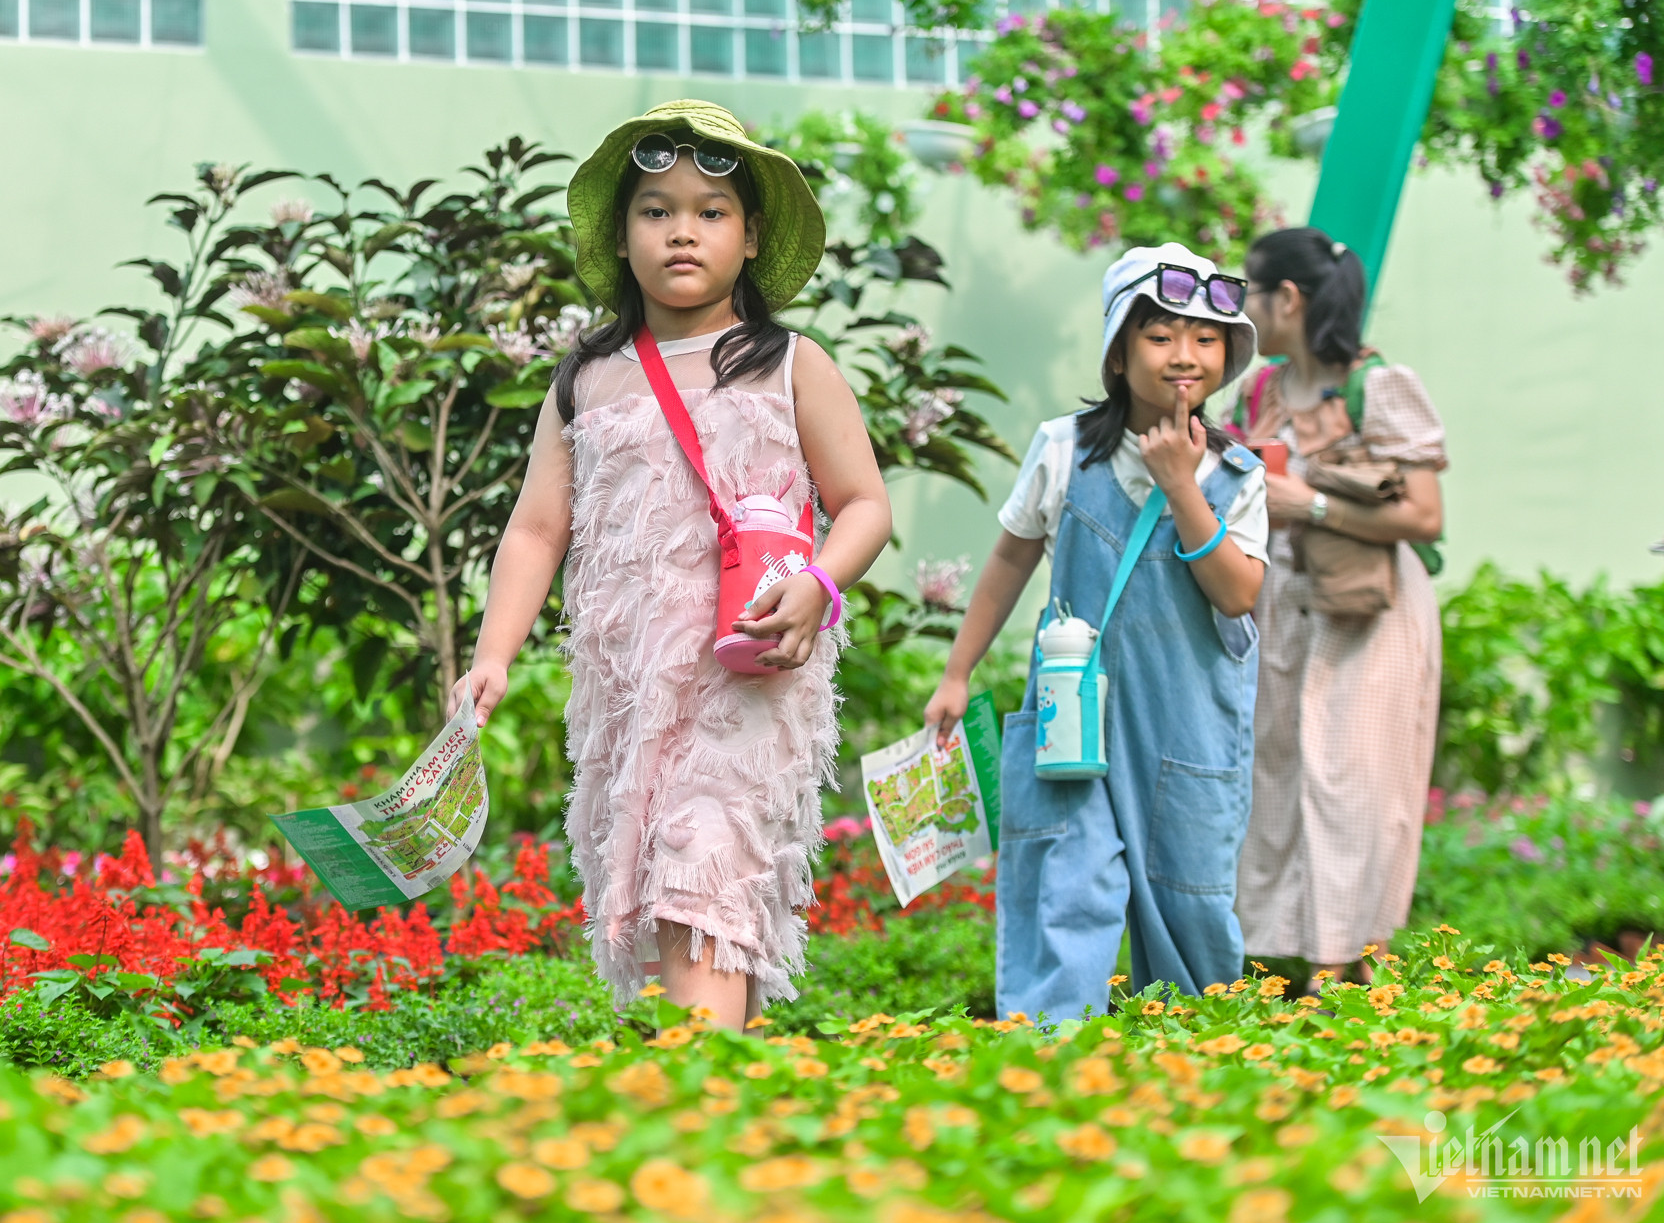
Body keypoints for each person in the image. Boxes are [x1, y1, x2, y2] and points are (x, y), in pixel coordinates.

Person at [451, 100, 892, 1030]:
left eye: (710, 211)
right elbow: (536, 530)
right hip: (628, 690)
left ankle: (694, 1123)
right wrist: (492, 652)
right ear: (621, 236)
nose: (681, 230)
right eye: (656, 210)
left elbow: (865, 506)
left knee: (703, 882)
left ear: (751, 234)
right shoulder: (585, 376)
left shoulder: (790, 363)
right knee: (663, 907)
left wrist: (818, 584)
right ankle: (727, 1118)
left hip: (750, 678)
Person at [925, 244, 1268, 1024]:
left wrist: (1184, 488)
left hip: (1188, 732)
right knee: (1065, 886)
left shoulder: (1238, 476)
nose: (1185, 354)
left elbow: (1239, 592)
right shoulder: (1062, 449)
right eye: (1159, 335)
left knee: (1191, 905)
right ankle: (1049, 1055)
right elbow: (1010, 558)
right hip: (1070, 723)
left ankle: (1198, 1056)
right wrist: (957, 671)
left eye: (1206, 338)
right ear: (1118, 354)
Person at [1227, 227, 1446, 986]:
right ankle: (1291, 958)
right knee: (1281, 772)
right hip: (1282, 603)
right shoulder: (1255, 391)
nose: (1243, 309)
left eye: (1249, 291)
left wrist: (1310, 503)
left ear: (1286, 297)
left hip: (1370, 609)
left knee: (1356, 778)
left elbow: (1424, 516)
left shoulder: (1377, 383)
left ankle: (1346, 968)